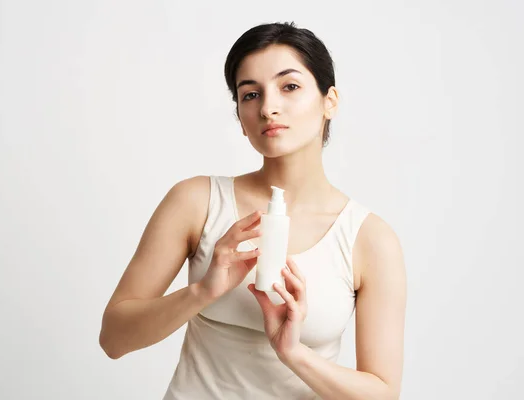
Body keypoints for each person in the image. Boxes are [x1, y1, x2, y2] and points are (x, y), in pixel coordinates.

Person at [99, 21, 406, 400]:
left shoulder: (369, 239)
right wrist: (202, 292)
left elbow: (382, 393)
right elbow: (113, 339)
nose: (268, 108)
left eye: (289, 87)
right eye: (250, 95)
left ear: (330, 101)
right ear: (240, 119)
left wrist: (293, 353)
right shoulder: (197, 202)